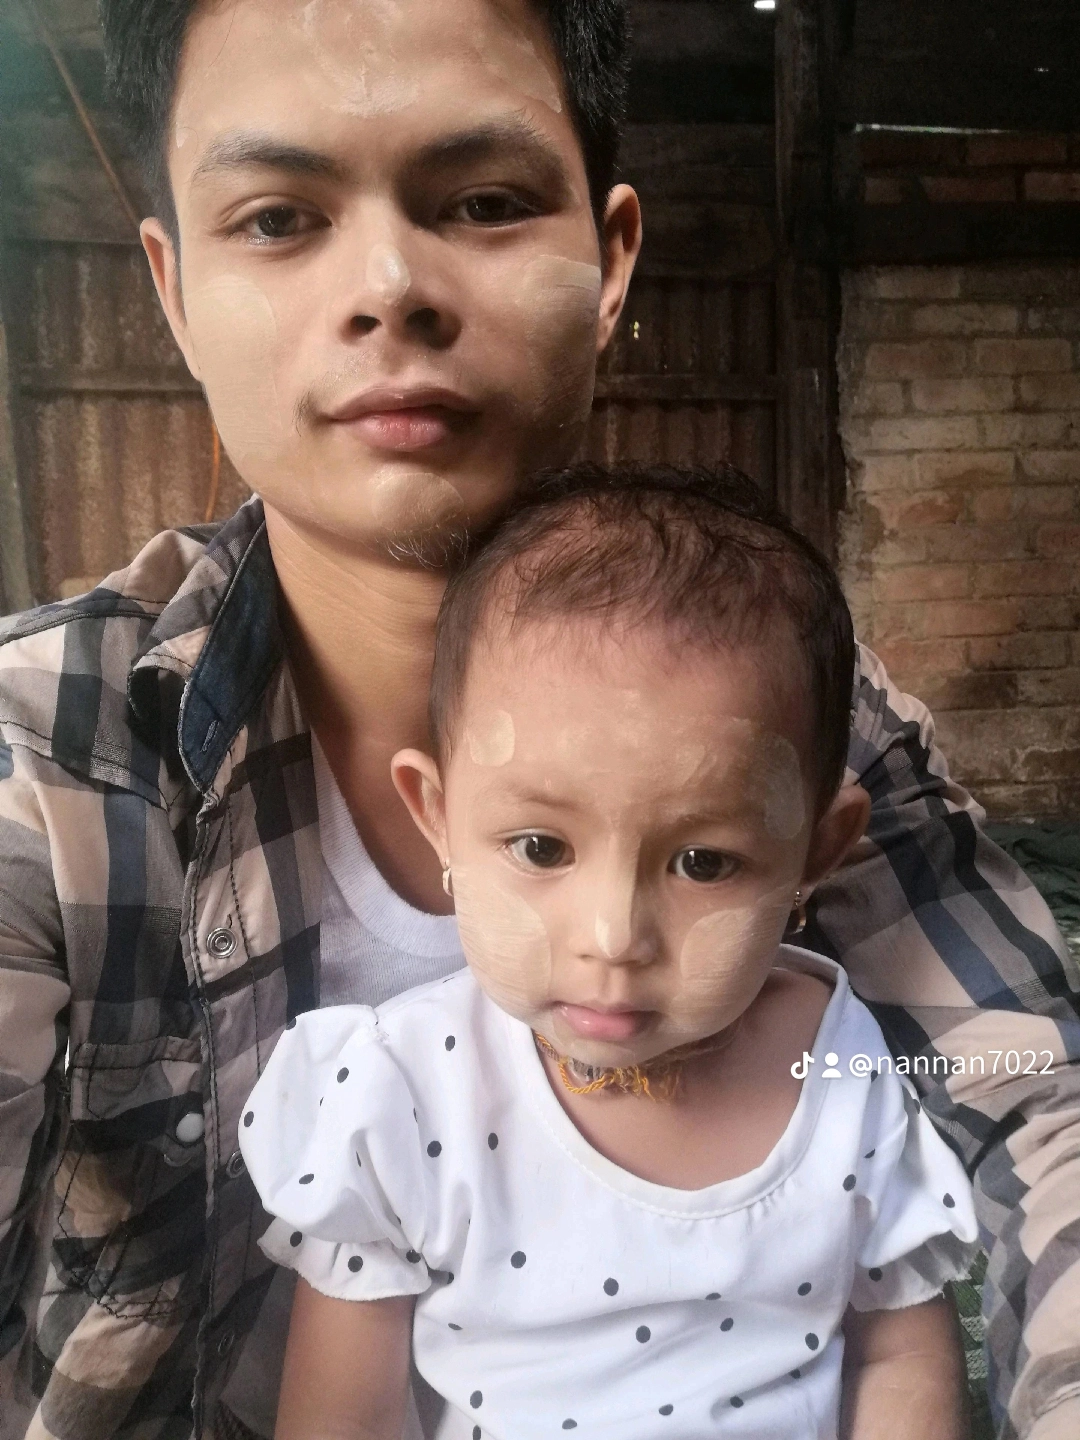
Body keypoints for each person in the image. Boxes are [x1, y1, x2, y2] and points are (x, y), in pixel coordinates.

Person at [0, 1, 1074, 1437]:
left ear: (612, 262)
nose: (389, 289)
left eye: (486, 202)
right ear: (177, 290)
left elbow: (1025, 1098)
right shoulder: (46, 761)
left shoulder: (813, 727)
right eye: (278, 218)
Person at [240, 464, 981, 1440]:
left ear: (817, 851)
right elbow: (344, 1418)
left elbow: (896, 1351)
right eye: (541, 848)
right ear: (440, 817)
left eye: (703, 862)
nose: (613, 939)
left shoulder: (843, 1067)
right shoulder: (404, 1094)